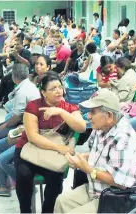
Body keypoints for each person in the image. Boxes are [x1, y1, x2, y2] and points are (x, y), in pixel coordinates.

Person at [54, 89, 136, 213]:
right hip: (98, 188)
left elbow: (120, 182)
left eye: (93, 112)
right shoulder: (100, 128)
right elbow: (99, 153)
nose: (88, 116)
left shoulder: (123, 139)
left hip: (119, 197)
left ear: (109, 116)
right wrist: (83, 157)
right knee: (61, 201)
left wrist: (86, 168)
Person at [15, 72, 87, 213]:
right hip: (29, 151)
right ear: (43, 92)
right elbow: (33, 137)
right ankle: (25, 210)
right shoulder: (33, 107)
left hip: (54, 155)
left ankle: (47, 211)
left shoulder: (69, 107)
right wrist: (58, 147)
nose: (58, 91)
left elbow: (82, 127)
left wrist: (61, 112)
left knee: (55, 178)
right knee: (24, 175)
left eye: (60, 87)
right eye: (53, 88)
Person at [0, 64, 41, 197]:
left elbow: (17, 117)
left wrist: (5, 126)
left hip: (26, 127)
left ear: (14, 77)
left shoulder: (23, 91)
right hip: (26, 125)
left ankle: (3, 182)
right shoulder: (30, 86)